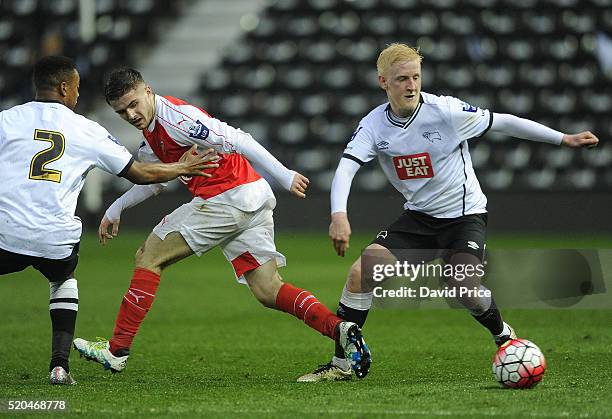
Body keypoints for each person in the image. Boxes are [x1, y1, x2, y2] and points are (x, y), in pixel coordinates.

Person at [297, 43, 600, 382]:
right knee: (360, 272)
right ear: (383, 81)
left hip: (464, 216)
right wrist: (339, 214)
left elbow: (504, 122)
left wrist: (564, 139)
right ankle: (341, 364)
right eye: (401, 79)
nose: (411, 85)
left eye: (415, 77)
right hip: (419, 218)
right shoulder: (373, 126)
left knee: (462, 286)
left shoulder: (446, 112)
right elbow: (346, 169)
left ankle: (503, 335)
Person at [73, 68, 372, 379]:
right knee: (268, 289)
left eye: (134, 104)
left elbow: (238, 138)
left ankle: (117, 350)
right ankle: (340, 329)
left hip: (227, 199)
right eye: (122, 112)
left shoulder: (178, 118)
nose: (131, 114)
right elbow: (154, 179)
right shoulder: (152, 132)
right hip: (251, 199)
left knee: (149, 256)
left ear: (148, 91)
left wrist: (285, 175)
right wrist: (117, 207)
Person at [0, 56, 219, 385]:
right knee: (63, 279)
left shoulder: (6, 120)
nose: (77, 94)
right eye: (75, 87)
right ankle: (59, 366)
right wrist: (181, 168)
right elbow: (142, 173)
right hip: (55, 239)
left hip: (6, 234)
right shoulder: (86, 129)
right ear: (63, 87)